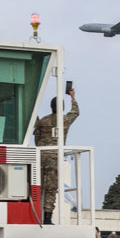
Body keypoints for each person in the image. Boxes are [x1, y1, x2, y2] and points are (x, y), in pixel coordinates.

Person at [33, 87, 79, 224]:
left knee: (38, 187)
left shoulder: (43, 121)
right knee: (51, 188)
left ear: (51, 106)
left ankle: (35, 214)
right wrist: (73, 97)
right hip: (55, 158)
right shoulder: (64, 120)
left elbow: (37, 138)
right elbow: (76, 112)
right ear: (63, 107)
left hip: (41, 156)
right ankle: (47, 217)